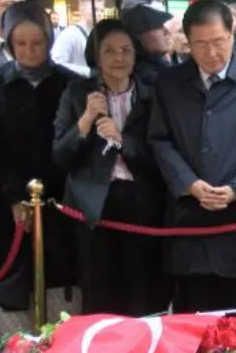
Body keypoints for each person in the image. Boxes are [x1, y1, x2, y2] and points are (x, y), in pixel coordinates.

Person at [147, 0, 236, 314]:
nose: (211, 53)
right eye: (201, 44)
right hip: (188, 222)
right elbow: (160, 140)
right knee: (193, 322)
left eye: (219, 42)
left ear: (232, 34)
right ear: (187, 42)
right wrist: (189, 183)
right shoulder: (170, 83)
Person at [53, 19, 169, 316]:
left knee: (145, 289)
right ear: (96, 55)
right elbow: (60, 156)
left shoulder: (152, 94)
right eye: (108, 51)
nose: (118, 58)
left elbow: (163, 151)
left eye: (125, 50)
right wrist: (87, 119)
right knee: (101, 292)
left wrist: (122, 140)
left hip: (142, 201)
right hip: (94, 206)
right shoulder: (77, 94)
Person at [0, 1, 81, 320]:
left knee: (60, 286)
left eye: (37, 43)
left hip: (60, 200)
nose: (29, 51)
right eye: (21, 44)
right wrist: (13, 195)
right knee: (13, 289)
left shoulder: (70, 83)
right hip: (7, 205)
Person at [121, 1, 181, 84]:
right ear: (138, 35)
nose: (166, 32)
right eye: (157, 26)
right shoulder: (147, 77)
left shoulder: (163, 64)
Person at [51, 0, 103, 77]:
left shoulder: (98, 34)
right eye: (95, 9)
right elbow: (57, 63)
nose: (99, 14)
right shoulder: (70, 34)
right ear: (82, 9)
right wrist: (88, 72)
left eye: (102, 10)